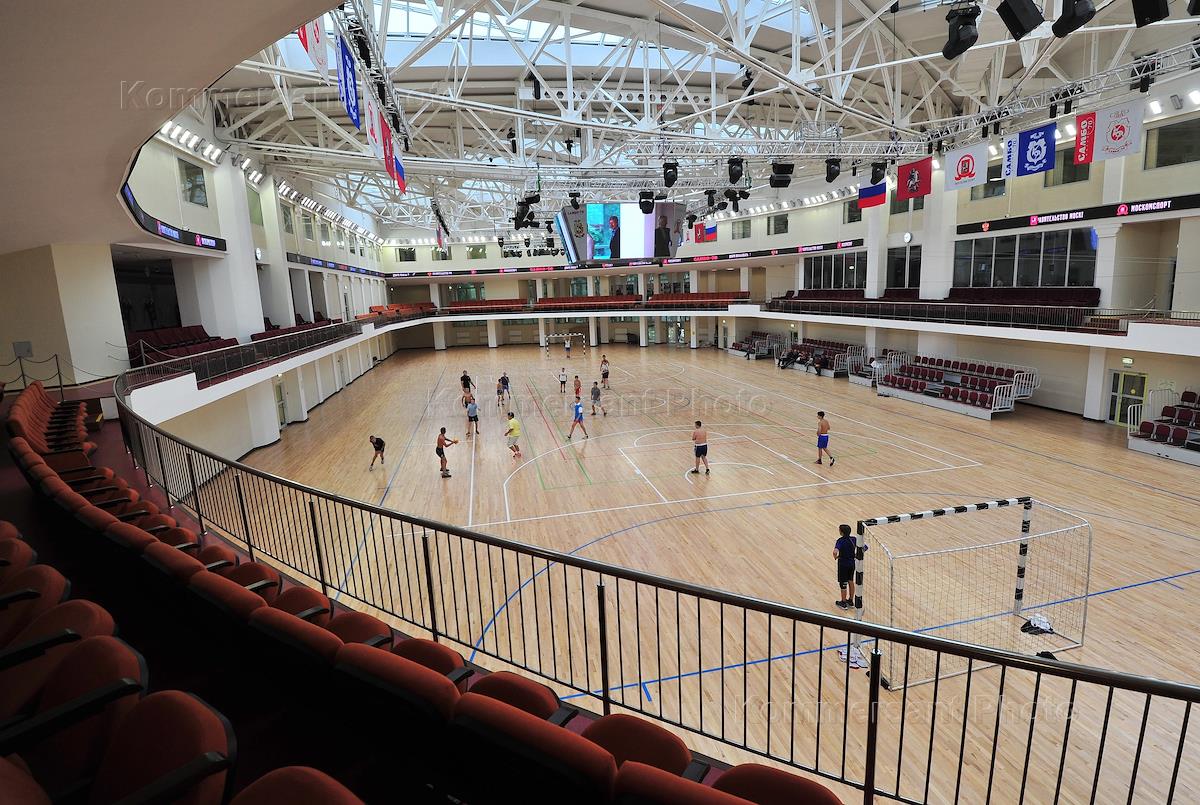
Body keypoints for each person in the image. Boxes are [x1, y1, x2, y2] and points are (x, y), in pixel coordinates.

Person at [833, 524, 864, 609]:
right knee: (851, 581)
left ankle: (843, 602)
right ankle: (850, 601)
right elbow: (865, 547)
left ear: (841, 532)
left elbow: (835, 552)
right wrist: (857, 555)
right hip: (852, 564)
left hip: (843, 564)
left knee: (843, 583)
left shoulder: (840, 541)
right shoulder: (854, 539)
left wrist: (835, 557)